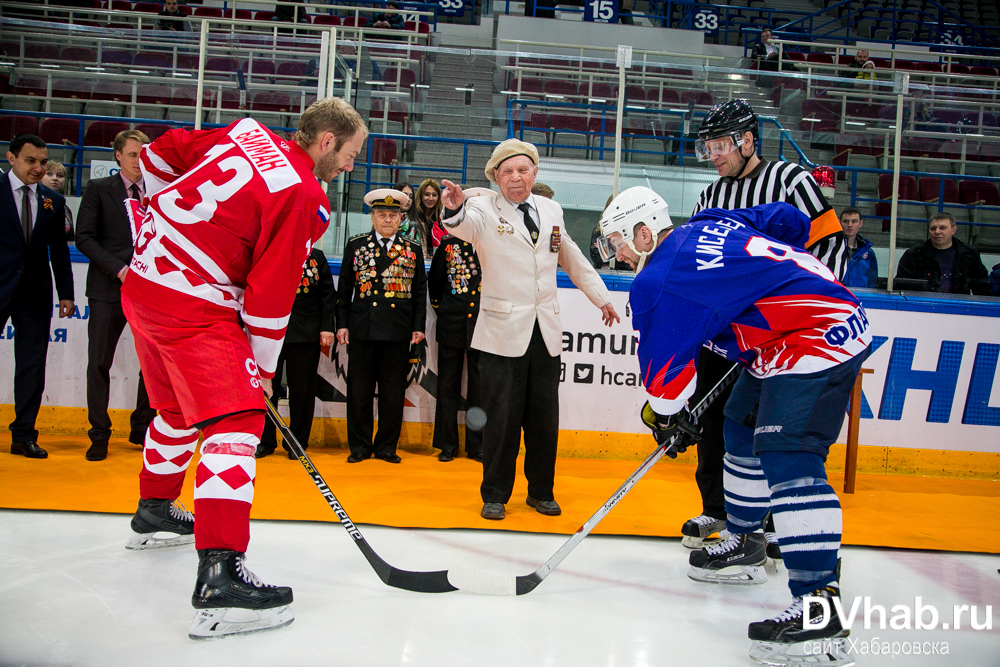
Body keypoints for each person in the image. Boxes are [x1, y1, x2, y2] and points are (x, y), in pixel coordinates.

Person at [121, 97, 367, 639]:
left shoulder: (247, 135)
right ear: (327, 141)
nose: (351, 165)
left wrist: (159, 222)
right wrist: (257, 370)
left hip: (143, 282)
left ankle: (155, 508)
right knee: (235, 424)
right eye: (351, 153)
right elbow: (270, 295)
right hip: (194, 303)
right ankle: (221, 578)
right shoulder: (302, 193)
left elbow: (160, 154)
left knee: (175, 408)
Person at [597, 190, 871, 666]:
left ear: (643, 232)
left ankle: (818, 610)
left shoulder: (657, 281)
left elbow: (665, 386)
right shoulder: (709, 221)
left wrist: (669, 418)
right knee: (740, 428)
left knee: (790, 457)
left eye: (618, 241)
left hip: (812, 333)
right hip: (794, 328)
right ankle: (747, 543)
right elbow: (788, 220)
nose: (618, 253)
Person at [680, 99, 846, 554]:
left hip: (782, 334)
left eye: (719, 145)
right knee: (712, 416)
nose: (712, 155)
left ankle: (770, 518)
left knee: (765, 424)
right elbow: (700, 261)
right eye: (707, 147)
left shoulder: (791, 181)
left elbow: (830, 245)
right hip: (725, 332)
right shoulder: (710, 196)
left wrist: (800, 314)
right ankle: (719, 507)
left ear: (748, 140)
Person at [439, 139, 620, 521]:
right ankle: (495, 494)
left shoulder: (552, 209)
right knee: (501, 419)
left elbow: (569, 254)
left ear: (534, 173)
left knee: (544, 419)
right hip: (501, 334)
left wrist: (602, 298)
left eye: (522, 170)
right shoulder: (484, 209)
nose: (515, 177)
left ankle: (540, 492)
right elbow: (461, 227)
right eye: (506, 172)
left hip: (546, 332)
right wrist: (453, 209)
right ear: (496, 177)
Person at [75, 129, 157, 462]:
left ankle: (142, 429)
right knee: (99, 363)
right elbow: (84, 238)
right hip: (108, 288)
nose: (140, 160)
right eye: (134, 154)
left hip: (149, 292)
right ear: (118, 156)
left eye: (145, 154)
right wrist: (121, 270)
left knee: (152, 366)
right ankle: (99, 434)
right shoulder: (98, 189)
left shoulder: (159, 192)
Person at [336, 188, 426, 464]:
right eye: (382, 215)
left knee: (392, 393)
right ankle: (360, 447)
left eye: (393, 215)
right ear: (372, 218)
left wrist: (418, 326)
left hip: (397, 331)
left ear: (400, 219)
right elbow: (345, 290)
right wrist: (342, 324)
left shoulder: (412, 248)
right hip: (363, 329)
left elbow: (419, 290)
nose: (388, 219)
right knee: (359, 392)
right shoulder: (356, 245)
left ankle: (386, 446)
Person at [1, 134, 75, 460]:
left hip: (35, 293)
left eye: (43, 162)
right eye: (31, 160)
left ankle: (24, 435)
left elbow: (59, 252)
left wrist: (67, 294)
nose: (38, 168)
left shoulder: (52, 201)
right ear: (11, 158)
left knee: (32, 365)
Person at [428, 187, 491, 463]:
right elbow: (436, 287)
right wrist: (447, 312)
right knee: (448, 387)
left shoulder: (493, 244)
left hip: (484, 326)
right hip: (452, 324)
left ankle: (476, 445)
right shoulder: (449, 245)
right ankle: (447, 444)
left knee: (479, 390)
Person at [256, 247, 336, 460]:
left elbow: (328, 295)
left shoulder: (315, 255)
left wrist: (327, 327)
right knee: (266, 389)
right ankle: (265, 440)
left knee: (302, 391)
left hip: (305, 331)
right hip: (268, 331)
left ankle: (297, 442)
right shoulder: (266, 250)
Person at [896, 212, 989, 294]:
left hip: (958, 307)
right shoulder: (914, 254)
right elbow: (901, 285)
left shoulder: (969, 254)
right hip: (923, 306)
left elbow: (982, 287)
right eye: (933, 228)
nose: (937, 232)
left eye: (942, 228)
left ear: (953, 230)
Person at [837, 207, 878, 288]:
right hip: (838, 297)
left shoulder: (868, 253)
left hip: (860, 297)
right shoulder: (831, 249)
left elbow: (872, 282)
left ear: (861, 223)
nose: (850, 225)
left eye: (854, 221)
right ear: (839, 222)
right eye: (846, 221)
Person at [40, 161, 73, 241]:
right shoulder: (33, 202)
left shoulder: (65, 208)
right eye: (49, 174)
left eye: (60, 176)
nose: (55, 178)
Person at [411, 178, 444, 257]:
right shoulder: (412, 215)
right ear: (420, 195)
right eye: (427, 194)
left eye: (434, 195)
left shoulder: (443, 217)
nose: (430, 198)